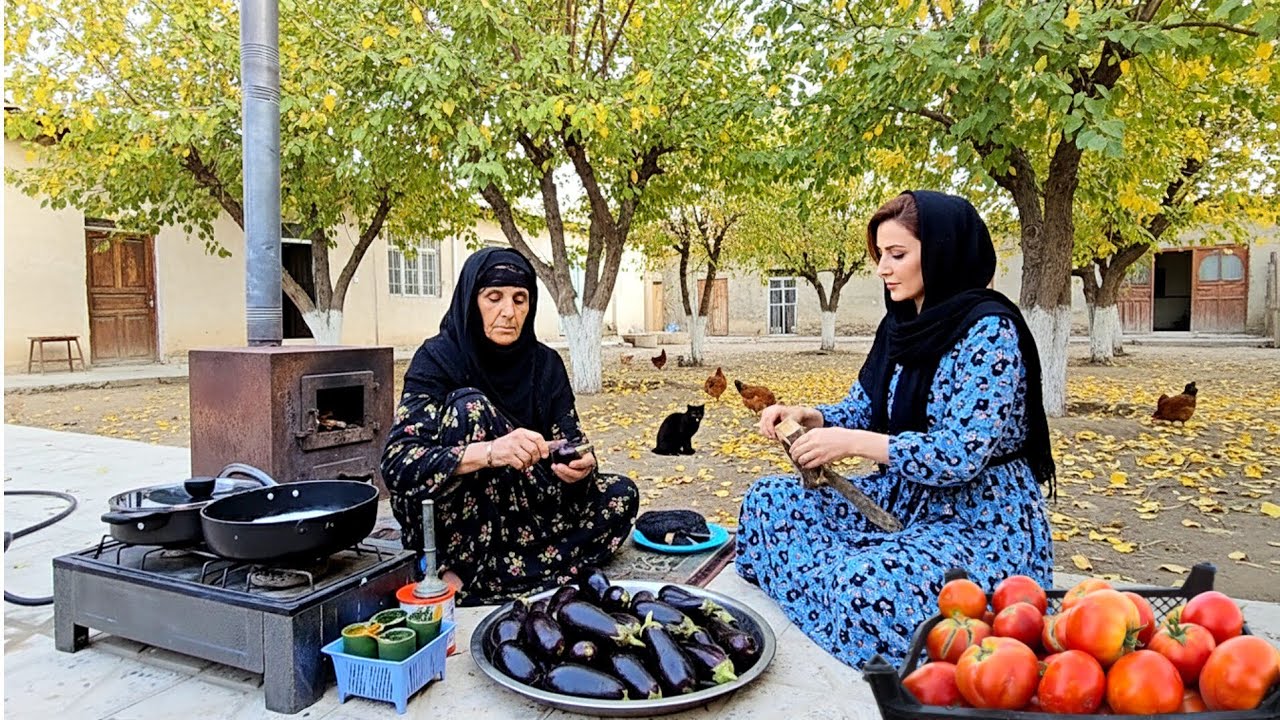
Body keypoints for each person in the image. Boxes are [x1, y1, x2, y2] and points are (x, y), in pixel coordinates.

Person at [735, 191, 1055, 667]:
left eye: (897, 254)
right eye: (880, 255)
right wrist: (811, 417)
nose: (883, 268)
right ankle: (844, 591)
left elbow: (958, 455)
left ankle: (848, 595)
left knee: (868, 588)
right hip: (901, 496)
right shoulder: (902, 323)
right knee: (767, 502)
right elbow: (863, 408)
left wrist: (849, 444)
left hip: (975, 519)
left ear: (943, 252)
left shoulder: (990, 332)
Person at [380, 247, 639, 605]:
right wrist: (489, 452)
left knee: (621, 495)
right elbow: (399, 465)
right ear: (472, 301)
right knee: (470, 407)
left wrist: (582, 466)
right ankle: (471, 566)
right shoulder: (438, 359)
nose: (508, 311)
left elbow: (571, 442)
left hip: (520, 513)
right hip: (454, 520)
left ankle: (472, 578)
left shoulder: (546, 365)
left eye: (520, 299)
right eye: (493, 297)